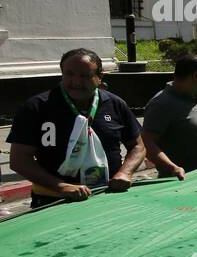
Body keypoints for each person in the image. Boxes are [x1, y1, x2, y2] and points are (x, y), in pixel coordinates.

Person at [7, 48, 145, 208]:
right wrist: (61, 186)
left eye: (85, 76)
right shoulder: (37, 107)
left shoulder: (115, 104)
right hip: (54, 201)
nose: (76, 82)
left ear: (100, 77)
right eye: (69, 74)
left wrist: (125, 172)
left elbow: (137, 146)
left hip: (108, 197)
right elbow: (19, 160)